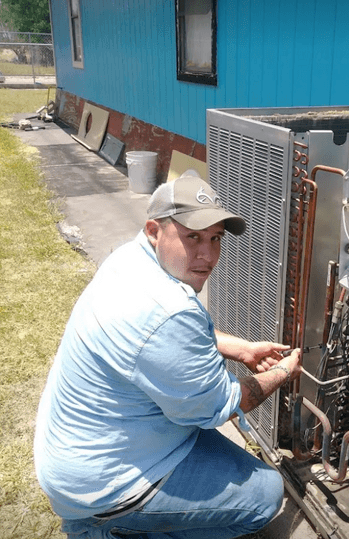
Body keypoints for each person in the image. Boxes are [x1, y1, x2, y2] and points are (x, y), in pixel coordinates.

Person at [34, 175, 302, 539]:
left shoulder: (129, 259)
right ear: (154, 230)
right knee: (266, 495)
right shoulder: (166, 309)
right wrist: (283, 373)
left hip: (77, 451)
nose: (208, 256)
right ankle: (109, 527)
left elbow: (172, 336)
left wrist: (240, 348)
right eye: (193, 236)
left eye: (215, 238)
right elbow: (219, 406)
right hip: (102, 484)